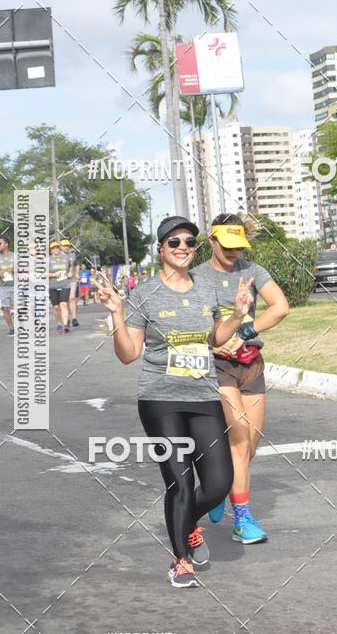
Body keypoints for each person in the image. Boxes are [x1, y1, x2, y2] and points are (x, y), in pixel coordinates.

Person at [93, 215, 253, 589]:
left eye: (189, 242)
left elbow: (215, 339)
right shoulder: (144, 293)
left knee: (218, 483)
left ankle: (186, 523)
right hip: (159, 399)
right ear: (161, 249)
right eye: (175, 242)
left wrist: (240, 316)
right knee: (180, 483)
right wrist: (117, 313)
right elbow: (129, 354)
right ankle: (180, 561)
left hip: (203, 395)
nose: (183, 248)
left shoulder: (205, 289)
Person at [194, 213, 289, 544]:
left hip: (251, 364)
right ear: (212, 241)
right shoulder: (197, 277)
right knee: (239, 439)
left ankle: (221, 486)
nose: (234, 251)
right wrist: (218, 339)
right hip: (216, 367)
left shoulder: (252, 271)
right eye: (227, 245)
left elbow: (280, 306)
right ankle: (242, 520)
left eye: (239, 246)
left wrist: (247, 331)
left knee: (251, 442)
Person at [0, 236, 15, 336]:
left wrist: (13, 270)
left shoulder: (15, 256)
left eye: (0, 243)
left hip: (16, 286)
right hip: (3, 287)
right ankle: (11, 328)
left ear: (6, 244)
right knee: (6, 309)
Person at [48, 240, 71, 334]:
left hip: (65, 284)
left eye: (57, 247)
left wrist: (70, 273)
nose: (56, 249)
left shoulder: (65, 258)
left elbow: (70, 267)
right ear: (51, 250)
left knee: (63, 304)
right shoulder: (47, 260)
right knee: (56, 307)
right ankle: (58, 324)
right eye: (53, 248)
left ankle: (65, 325)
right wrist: (53, 274)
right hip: (53, 286)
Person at [60, 238, 79, 328]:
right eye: (64, 246)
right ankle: (66, 318)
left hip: (72, 279)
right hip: (62, 280)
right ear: (60, 247)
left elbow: (77, 264)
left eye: (67, 245)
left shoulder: (72, 255)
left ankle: (74, 318)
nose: (66, 247)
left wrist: (77, 274)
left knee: (72, 298)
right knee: (65, 300)